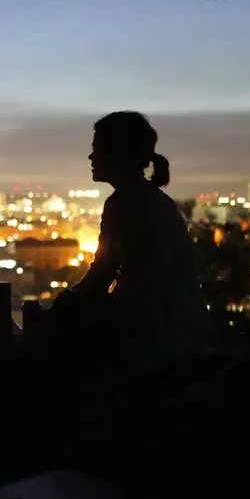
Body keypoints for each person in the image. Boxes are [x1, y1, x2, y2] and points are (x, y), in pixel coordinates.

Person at [45, 111, 211, 385]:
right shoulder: (152, 200)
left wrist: (64, 303)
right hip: (182, 331)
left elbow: (101, 275)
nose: (91, 158)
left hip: (156, 343)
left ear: (118, 154)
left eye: (96, 149)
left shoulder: (124, 203)